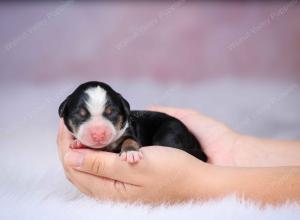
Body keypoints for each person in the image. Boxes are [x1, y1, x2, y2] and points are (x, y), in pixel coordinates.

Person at [57, 106, 300, 205]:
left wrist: (202, 183)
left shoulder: (136, 131)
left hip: (168, 135)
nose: (98, 130)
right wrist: (235, 148)